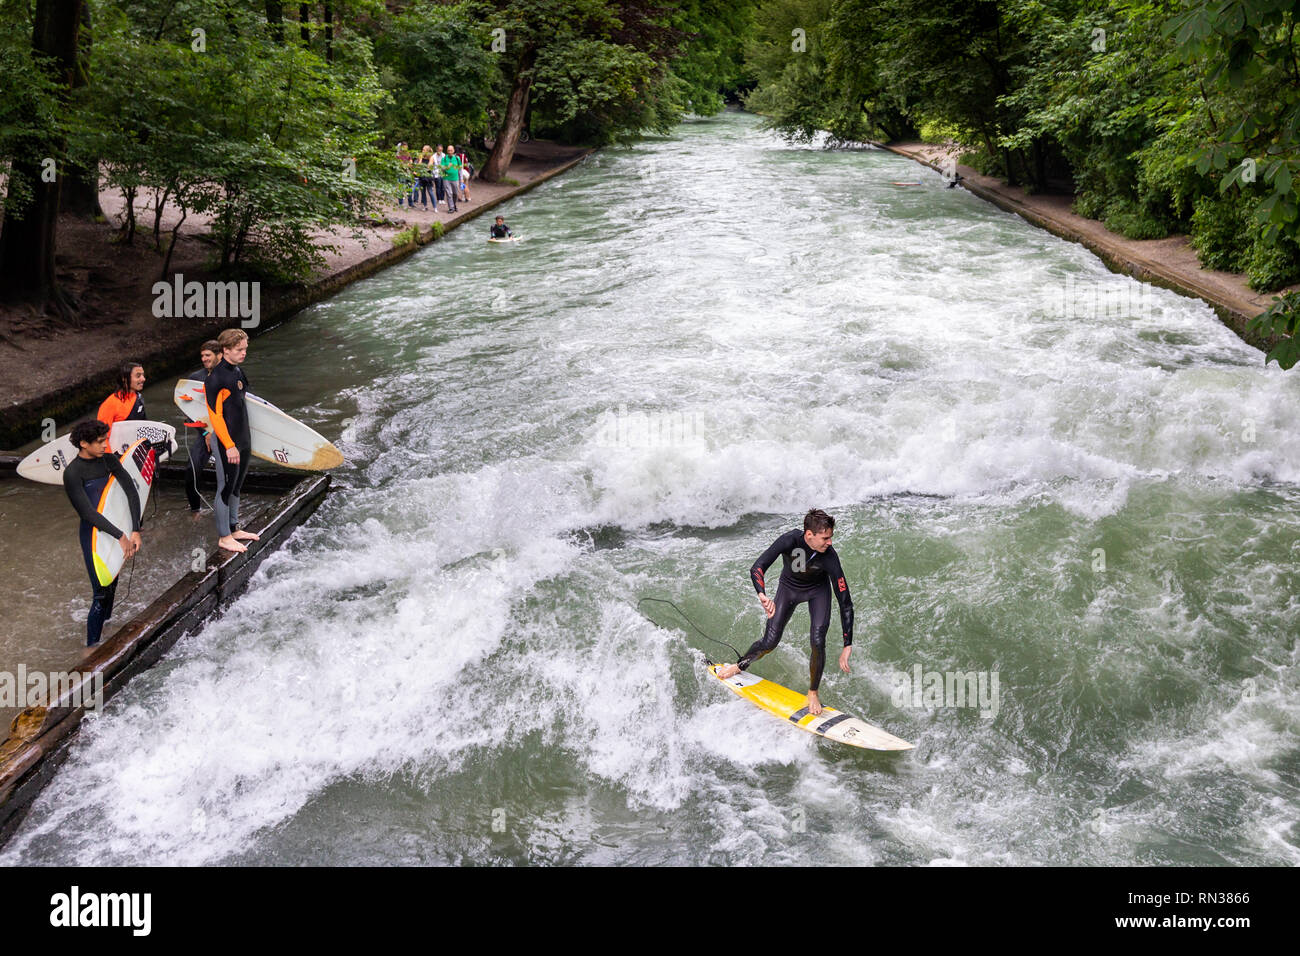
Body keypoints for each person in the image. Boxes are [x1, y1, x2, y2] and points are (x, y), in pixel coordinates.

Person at [717, 509, 855, 716]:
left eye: (831, 537)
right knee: (770, 642)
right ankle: (740, 665)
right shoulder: (789, 540)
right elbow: (758, 567)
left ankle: (813, 692)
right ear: (809, 535)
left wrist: (847, 644)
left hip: (818, 592)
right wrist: (762, 594)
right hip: (789, 588)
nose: (830, 542)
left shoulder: (830, 558)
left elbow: (845, 601)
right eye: (825, 538)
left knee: (818, 641)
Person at [62, 419, 142, 647]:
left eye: (105, 440)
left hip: (115, 528)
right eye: (99, 442)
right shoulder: (73, 473)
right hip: (93, 535)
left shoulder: (108, 460)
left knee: (113, 582)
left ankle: (106, 622)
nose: (105, 445)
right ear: (83, 443)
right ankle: (92, 649)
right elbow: (87, 512)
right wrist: (120, 535)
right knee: (100, 590)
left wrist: (135, 529)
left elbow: (131, 490)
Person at [205, 328, 261, 554]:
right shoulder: (216, 378)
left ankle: (233, 528)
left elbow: (244, 404)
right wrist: (229, 445)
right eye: (239, 350)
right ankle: (224, 536)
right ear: (225, 350)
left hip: (243, 439)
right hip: (228, 443)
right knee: (225, 487)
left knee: (237, 485)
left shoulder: (237, 372)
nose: (244, 353)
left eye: (245, 349)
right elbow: (215, 415)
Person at [183, 340, 221, 514]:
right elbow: (189, 410)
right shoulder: (195, 378)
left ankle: (227, 512)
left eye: (208, 355)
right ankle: (195, 509)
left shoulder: (230, 374)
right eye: (202, 356)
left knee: (229, 474)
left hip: (227, 432)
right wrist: (206, 433)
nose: (204, 359)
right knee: (191, 470)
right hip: (205, 430)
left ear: (219, 355)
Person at [97, 362, 146, 450]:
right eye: (138, 376)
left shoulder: (138, 397)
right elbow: (101, 438)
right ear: (125, 379)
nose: (143, 379)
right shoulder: (110, 404)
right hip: (117, 455)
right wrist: (111, 462)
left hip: (137, 450)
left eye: (143, 375)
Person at [439, 145, 460, 212]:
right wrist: (447, 167)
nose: (450, 152)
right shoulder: (444, 159)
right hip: (446, 178)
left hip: (455, 178)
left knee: (455, 193)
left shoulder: (457, 158)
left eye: (451, 150)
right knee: (449, 193)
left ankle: (454, 204)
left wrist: (461, 178)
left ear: (453, 151)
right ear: (447, 151)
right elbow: (441, 168)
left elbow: (460, 169)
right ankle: (451, 207)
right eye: (448, 150)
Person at [416, 145, 436, 209]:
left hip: (428, 177)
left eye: (424, 150)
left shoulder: (431, 157)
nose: (422, 151)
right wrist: (421, 158)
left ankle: (435, 207)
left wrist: (422, 168)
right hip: (421, 176)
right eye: (422, 149)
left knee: (430, 192)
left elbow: (429, 167)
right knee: (423, 192)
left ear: (427, 151)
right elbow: (418, 166)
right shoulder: (421, 157)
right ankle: (425, 206)